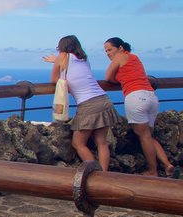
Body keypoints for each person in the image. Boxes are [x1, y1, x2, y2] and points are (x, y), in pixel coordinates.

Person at [43, 35, 119, 171]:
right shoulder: (84, 59)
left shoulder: (63, 56)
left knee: (78, 143)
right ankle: (105, 175)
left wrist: (56, 62)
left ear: (62, 47)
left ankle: (96, 174)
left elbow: (54, 79)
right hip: (103, 99)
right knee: (102, 143)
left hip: (88, 104)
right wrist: (57, 61)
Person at [103, 37, 177, 177]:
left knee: (144, 137)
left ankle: (153, 171)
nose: (108, 53)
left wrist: (116, 79)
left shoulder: (120, 56)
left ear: (120, 48)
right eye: (106, 51)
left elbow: (107, 78)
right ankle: (167, 165)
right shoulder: (134, 58)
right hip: (151, 96)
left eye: (110, 49)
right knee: (148, 135)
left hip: (136, 97)